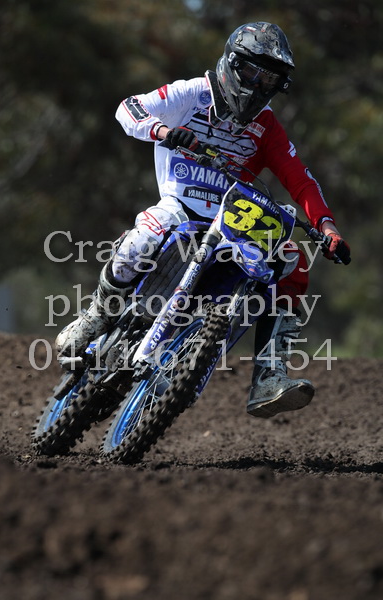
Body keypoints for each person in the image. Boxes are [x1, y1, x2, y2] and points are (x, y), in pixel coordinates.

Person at [56, 22, 350, 419]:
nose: (259, 85)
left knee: (292, 261)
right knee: (145, 237)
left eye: (270, 79)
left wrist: (326, 227)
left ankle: (269, 374)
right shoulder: (193, 93)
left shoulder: (267, 126)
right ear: (232, 63)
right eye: (253, 72)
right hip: (178, 204)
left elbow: (301, 180)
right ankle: (97, 316)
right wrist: (163, 130)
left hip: (232, 218)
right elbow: (129, 108)